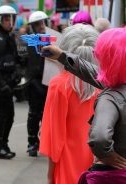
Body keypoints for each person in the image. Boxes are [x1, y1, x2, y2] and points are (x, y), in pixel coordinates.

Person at [41, 27, 126, 183]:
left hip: (82, 167)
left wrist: (106, 154)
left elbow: (55, 136)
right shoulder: (112, 85)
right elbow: (91, 71)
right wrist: (61, 56)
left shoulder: (109, 95)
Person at [39, 24, 100, 184]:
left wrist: (49, 175)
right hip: (102, 164)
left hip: (69, 164)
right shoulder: (107, 85)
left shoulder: (59, 85)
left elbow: (54, 137)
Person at [0, 5, 20, 159]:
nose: (10, 22)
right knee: (0, 115)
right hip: (0, 83)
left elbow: (13, 58)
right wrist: (2, 84)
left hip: (8, 81)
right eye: (7, 19)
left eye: (12, 19)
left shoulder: (9, 36)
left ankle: (3, 143)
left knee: (9, 116)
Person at [26, 11, 49, 157]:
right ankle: (32, 142)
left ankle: (44, 142)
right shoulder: (29, 42)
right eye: (37, 23)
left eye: (42, 22)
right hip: (34, 83)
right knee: (34, 114)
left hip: (49, 83)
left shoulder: (53, 39)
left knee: (47, 116)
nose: (41, 26)